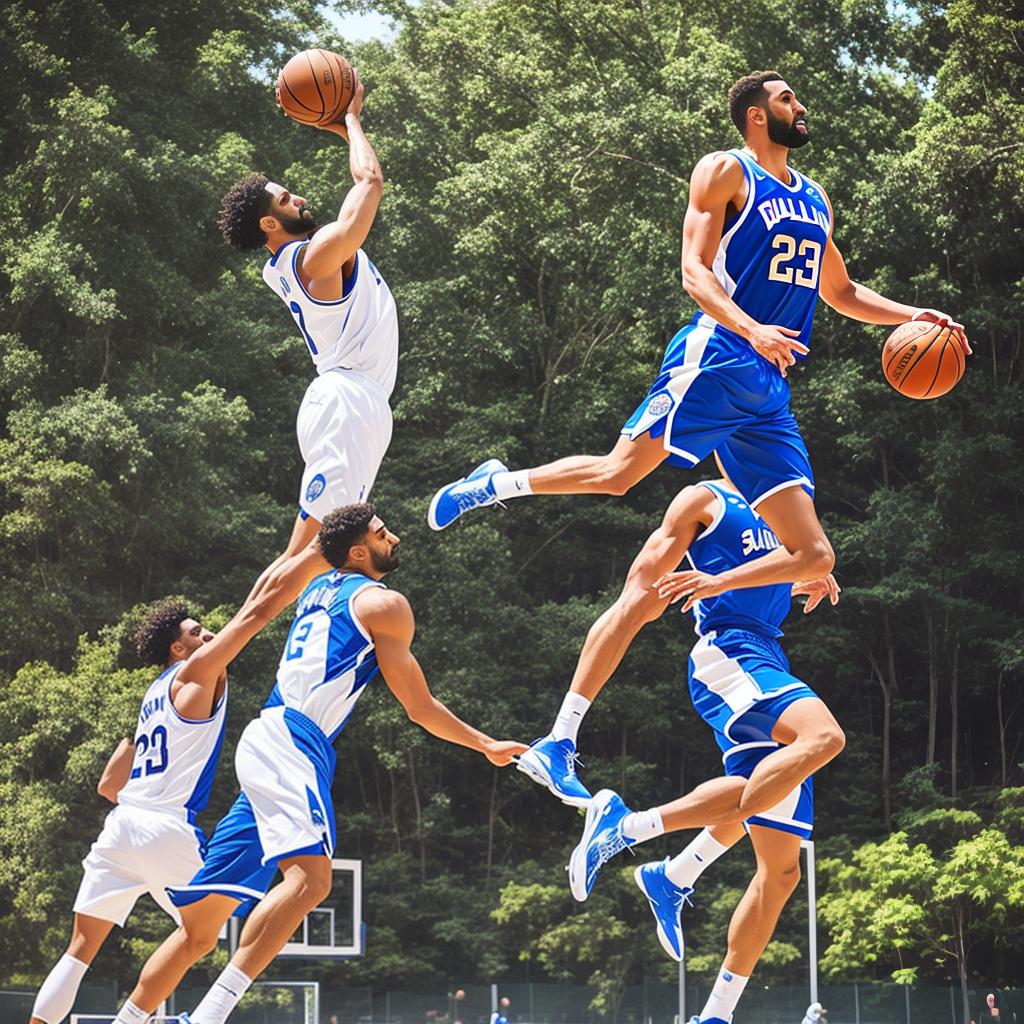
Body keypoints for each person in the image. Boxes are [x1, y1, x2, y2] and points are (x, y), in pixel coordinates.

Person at [427, 70, 968, 611]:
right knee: (617, 476)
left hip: (769, 385)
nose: (801, 106)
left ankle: (716, 586)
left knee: (815, 556)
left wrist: (914, 313)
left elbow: (842, 291)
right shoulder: (726, 170)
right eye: (788, 99)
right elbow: (694, 271)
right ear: (757, 115)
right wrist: (751, 327)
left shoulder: (815, 196)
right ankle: (494, 485)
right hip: (719, 354)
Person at [108, 504, 526, 1024]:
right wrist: (486, 744)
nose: (393, 538)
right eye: (381, 532)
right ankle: (206, 1017)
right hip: (294, 742)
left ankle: (130, 1020)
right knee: (313, 883)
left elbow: (284, 574)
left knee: (198, 929)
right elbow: (419, 708)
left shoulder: (316, 590)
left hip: (267, 737)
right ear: (358, 551)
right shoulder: (384, 604)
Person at [528, 461, 842, 1024]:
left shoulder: (783, 504)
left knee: (781, 869)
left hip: (767, 653)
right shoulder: (704, 500)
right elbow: (642, 593)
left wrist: (803, 577)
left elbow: (792, 562)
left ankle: (710, 1000)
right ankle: (629, 830)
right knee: (822, 737)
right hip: (729, 653)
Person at [217, 71, 398, 603]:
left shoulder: (292, 261)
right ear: (269, 226)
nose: (295, 196)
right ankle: (212, 662)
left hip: (350, 402)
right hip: (348, 403)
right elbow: (369, 185)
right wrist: (350, 120)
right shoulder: (311, 258)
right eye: (284, 198)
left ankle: (220, 655)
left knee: (309, 557)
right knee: (311, 557)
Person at [28, 600, 227, 1024]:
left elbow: (108, 786)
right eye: (197, 631)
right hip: (166, 824)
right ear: (177, 649)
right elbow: (255, 614)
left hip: (122, 826)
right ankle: (137, 1018)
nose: (207, 634)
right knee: (206, 933)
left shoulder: (151, 697)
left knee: (78, 951)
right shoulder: (199, 673)